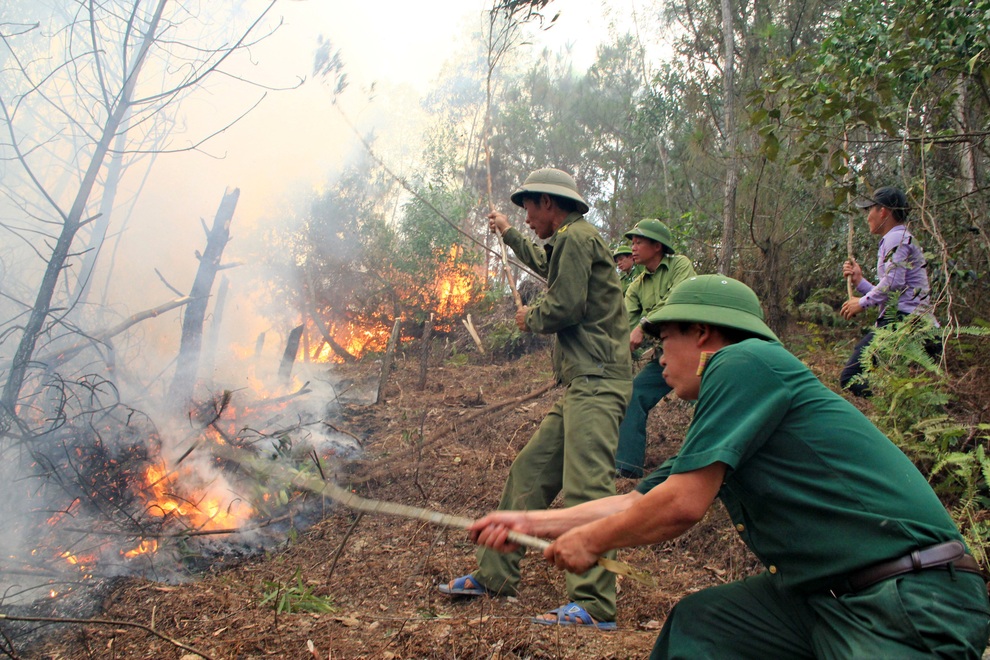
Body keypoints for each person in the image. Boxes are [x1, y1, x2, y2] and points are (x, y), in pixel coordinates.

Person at [469, 274, 990, 657]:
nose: (659, 360)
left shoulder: (742, 363)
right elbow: (642, 498)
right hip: (824, 601)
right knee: (703, 626)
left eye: (662, 342)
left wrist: (593, 540)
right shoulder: (737, 401)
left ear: (701, 334)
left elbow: (681, 506)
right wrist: (529, 523)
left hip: (910, 601)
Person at [439, 167, 632, 629]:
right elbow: (550, 267)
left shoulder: (576, 238)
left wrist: (532, 316)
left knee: (586, 489)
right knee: (528, 473)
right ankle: (496, 575)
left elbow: (565, 306)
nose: (524, 216)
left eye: (526, 208)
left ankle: (593, 604)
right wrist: (507, 236)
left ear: (548, 203)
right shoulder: (571, 239)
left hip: (597, 380)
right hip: (582, 383)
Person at [615, 219, 695, 478]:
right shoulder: (637, 285)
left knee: (711, 399)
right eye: (632, 243)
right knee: (634, 395)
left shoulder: (679, 265)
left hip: (696, 350)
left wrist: (644, 325)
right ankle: (628, 466)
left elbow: (679, 298)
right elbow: (624, 322)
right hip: (666, 355)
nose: (633, 248)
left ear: (657, 245)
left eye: (638, 242)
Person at [839, 186, 936, 396]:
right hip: (916, 322)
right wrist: (860, 281)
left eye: (870, 211)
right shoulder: (899, 238)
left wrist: (861, 303)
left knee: (850, 377)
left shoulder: (895, 238)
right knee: (912, 390)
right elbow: (895, 293)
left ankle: (884, 410)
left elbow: (892, 283)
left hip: (905, 323)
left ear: (883, 211)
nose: (867, 218)